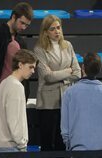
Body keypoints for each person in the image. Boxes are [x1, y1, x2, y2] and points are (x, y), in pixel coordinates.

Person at [34, 15, 81, 151]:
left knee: (62, 142)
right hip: (47, 102)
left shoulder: (68, 46)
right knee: (47, 142)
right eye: (52, 29)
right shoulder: (39, 49)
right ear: (45, 32)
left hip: (66, 99)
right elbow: (47, 77)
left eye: (58, 28)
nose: (57, 31)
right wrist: (68, 71)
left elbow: (77, 73)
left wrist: (59, 75)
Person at [61, 52, 102, 151]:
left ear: (83, 67)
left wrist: (69, 146)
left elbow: (65, 128)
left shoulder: (69, 93)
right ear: (100, 69)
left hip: (79, 150)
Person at [0, 49, 37, 158]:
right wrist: (22, 143)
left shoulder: (4, 83)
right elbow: (14, 120)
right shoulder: (16, 86)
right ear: (20, 65)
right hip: (10, 148)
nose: (33, 71)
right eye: (31, 67)